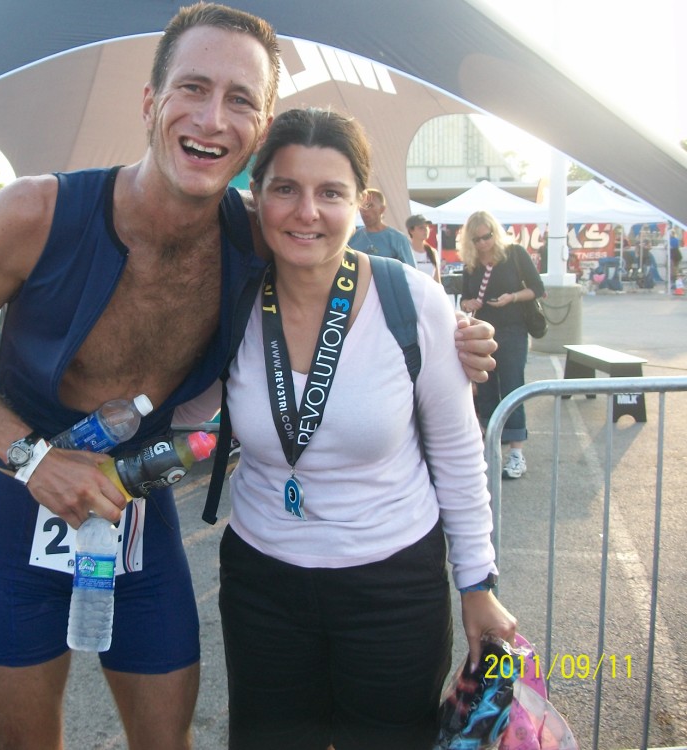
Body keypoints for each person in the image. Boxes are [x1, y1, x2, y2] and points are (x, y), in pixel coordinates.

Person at [0, 5, 498, 748]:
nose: (213, 118)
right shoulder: (35, 211)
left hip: (137, 514)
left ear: (262, 126)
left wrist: (452, 331)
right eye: (193, 88)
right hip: (21, 508)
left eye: (240, 99)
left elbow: (339, 265)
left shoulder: (256, 233)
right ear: (151, 101)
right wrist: (34, 458)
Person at [174, 107, 516, 749]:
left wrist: (477, 584)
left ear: (360, 202)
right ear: (257, 197)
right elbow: (185, 411)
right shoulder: (234, 300)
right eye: (285, 188)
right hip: (263, 582)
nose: (307, 211)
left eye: (330, 192)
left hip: (392, 585)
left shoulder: (412, 301)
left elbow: (457, 453)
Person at [460, 211, 546, 479]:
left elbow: (537, 288)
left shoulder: (514, 254)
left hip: (512, 329)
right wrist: (468, 303)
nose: (483, 243)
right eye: (476, 239)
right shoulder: (471, 263)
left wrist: (513, 297)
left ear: (495, 232)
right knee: (484, 387)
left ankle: (517, 453)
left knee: (512, 386)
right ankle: (490, 447)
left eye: (487, 236)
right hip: (482, 332)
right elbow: (464, 298)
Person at [348, 187, 415, 266]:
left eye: (369, 206)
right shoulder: (353, 237)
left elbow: (409, 270)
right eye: (361, 206)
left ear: (382, 209)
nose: (364, 210)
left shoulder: (398, 239)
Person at [406, 213, 441, 282]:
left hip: (430, 289)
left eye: (427, 227)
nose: (425, 230)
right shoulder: (406, 251)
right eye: (421, 228)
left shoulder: (432, 252)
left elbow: (437, 280)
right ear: (411, 230)